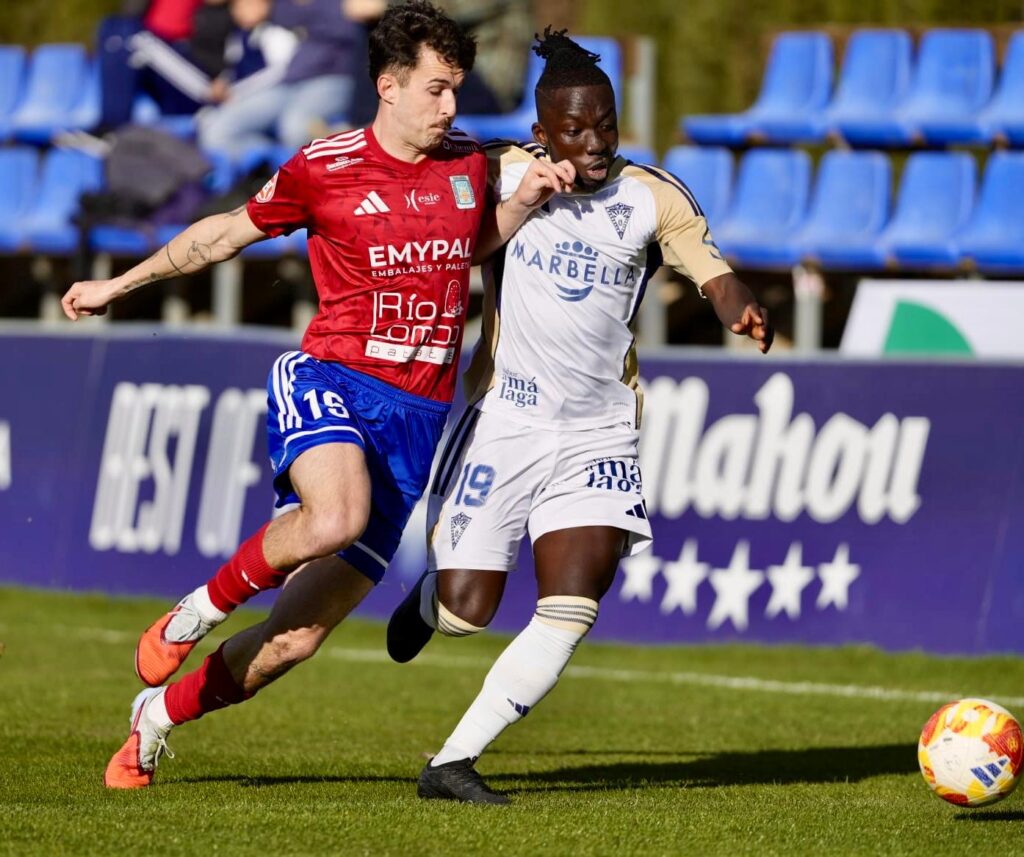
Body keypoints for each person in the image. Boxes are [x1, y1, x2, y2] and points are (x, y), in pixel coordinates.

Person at [62, 1, 574, 790]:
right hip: (331, 379)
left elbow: (465, 247)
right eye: (436, 89)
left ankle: (155, 719)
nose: (450, 106)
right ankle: (194, 612)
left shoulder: (469, 165)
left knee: (291, 643)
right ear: (388, 85)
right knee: (336, 516)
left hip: (415, 421)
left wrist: (524, 200)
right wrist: (116, 285)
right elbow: (222, 234)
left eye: (455, 89)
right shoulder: (324, 166)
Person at [385, 28, 773, 804]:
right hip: (503, 420)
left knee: (570, 605)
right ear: (542, 131)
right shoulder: (501, 170)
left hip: (599, 431)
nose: (595, 142)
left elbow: (711, 268)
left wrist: (738, 303)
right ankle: (432, 602)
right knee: (468, 612)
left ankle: (452, 763)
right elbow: (417, 187)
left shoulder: (652, 195)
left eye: (606, 125)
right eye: (575, 128)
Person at [196, 0, 379, 157]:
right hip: (286, 83)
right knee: (216, 131)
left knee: (294, 129)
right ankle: (276, 166)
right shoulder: (278, 9)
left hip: (333, 79)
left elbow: (365, 12)